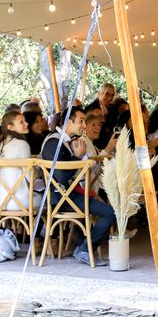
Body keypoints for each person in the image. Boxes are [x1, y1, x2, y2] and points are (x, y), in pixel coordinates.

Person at [40, 106, 115, 267]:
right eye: (81, 121)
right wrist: (78, 157)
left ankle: (83, 247)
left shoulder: (64, 141)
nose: (83, 125)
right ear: (68, 122)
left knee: (108, 209)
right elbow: (61, 176)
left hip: (68, 194)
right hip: (60, 198)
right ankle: (85, 249)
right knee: (109, 212)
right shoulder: (54, 142)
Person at [0, 111, 42, 212]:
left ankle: (17, 227)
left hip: (1, 201)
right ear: (11, 127)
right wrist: (39, 166)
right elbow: (30, 178)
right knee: (47, 198)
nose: (26, 124)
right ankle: (31, 227)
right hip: (21, 202)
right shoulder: (22, 144)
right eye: (21, 122)